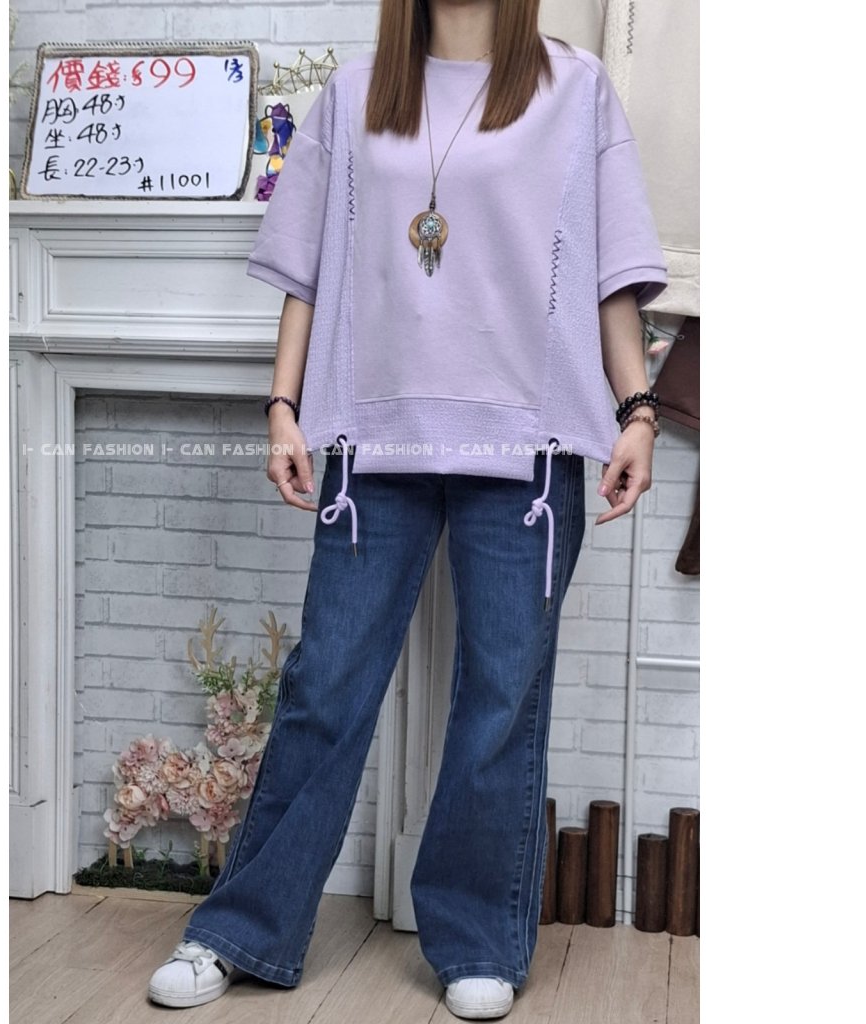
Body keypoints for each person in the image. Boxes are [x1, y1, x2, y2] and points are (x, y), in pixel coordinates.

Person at [148, 0, 667, 1018]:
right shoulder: (354, 94)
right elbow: (306, 274)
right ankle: (241, 928)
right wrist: (284, 407)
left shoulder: (575, 92)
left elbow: (611, 276)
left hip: (524, 446)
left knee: (501, 700)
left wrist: (635, 411)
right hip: (374, 440)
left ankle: (476, 938)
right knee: (325, 687)